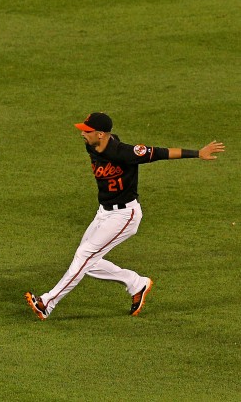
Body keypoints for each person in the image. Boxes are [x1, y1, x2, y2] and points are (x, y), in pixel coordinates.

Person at [25, 112, 225, 320]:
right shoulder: (91, 146)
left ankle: (47, 302)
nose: (82, 134)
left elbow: (160, 153)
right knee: (88, 262)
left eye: (87, 131)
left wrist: (198, 153)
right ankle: (136, 283)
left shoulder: (126, 152)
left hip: (124, 215)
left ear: (101, 134)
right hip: (103, 212)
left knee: (84, 255)